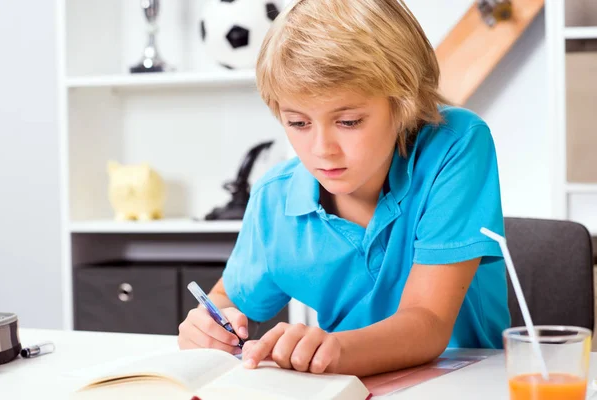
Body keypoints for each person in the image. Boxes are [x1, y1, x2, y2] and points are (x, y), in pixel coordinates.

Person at [178, 0, 509, 378]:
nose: (322, 150)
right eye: (299, 123)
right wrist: (209, 329)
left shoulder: (455, 145)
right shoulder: (274, 198)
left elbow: (429, 321)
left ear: (404, 103)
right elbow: (226, 301)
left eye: (349, 121)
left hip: (468, 383)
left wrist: (333, 349)